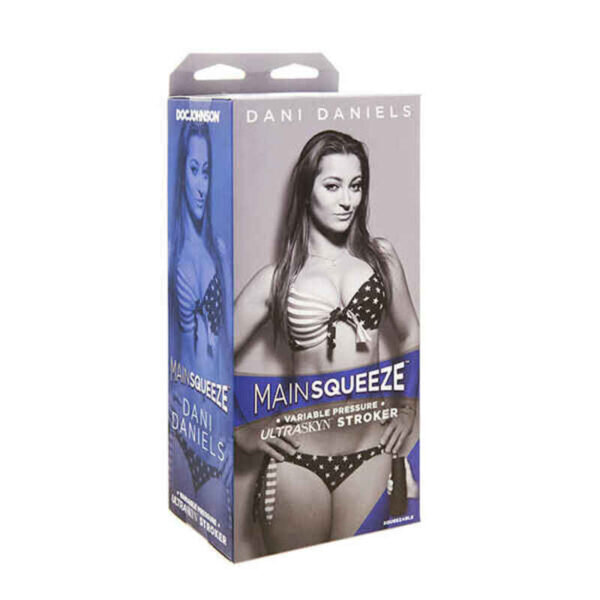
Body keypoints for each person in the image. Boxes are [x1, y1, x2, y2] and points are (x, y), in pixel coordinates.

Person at [233, 130, 419, 554]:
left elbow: (411, 332)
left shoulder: (380, 258)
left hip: (371, 454)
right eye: (332, 186)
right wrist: (242, 429)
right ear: (307, 190)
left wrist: (409, 408)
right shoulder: (277, 279)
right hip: (298, 462)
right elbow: (202, 355)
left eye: (356, 185)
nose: (347, 200)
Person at [169, 120, 231, 525]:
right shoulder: (171, 251)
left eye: (206, 172)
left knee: (217, 527)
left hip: (216, 433)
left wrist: (230, 433)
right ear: (181, 174)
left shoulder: (219, 252)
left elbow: (225, 349)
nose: (201, 185)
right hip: (180, 428)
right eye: (193, 170)